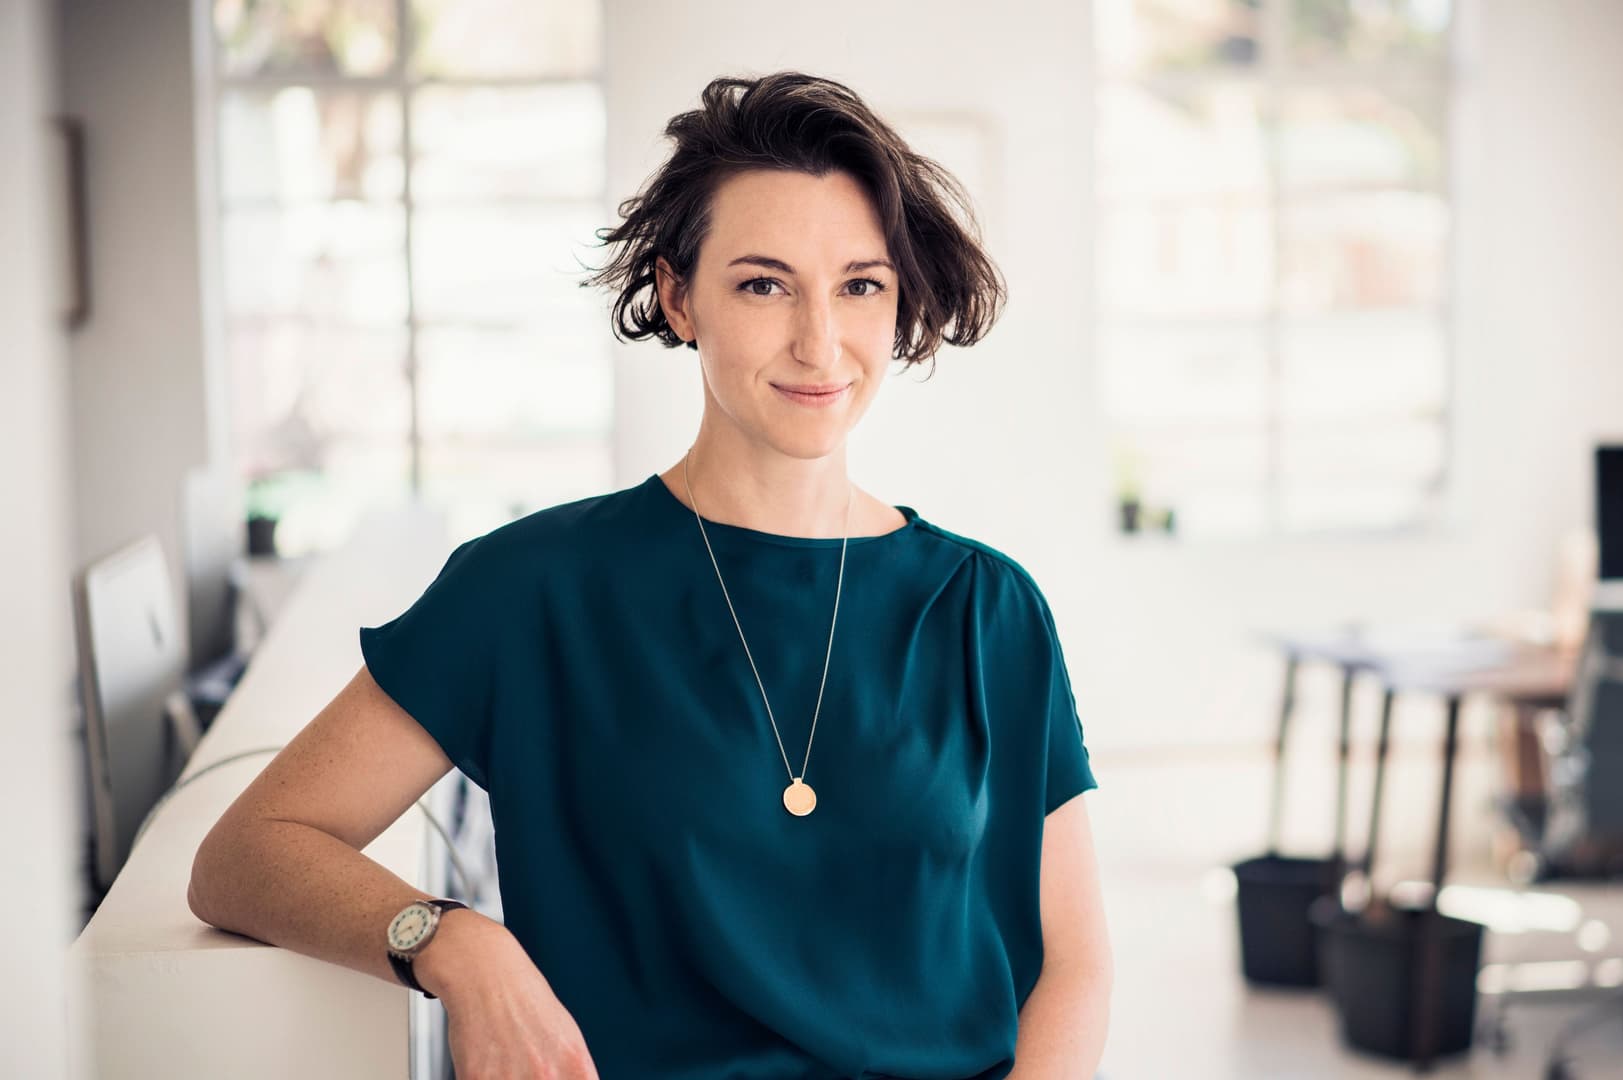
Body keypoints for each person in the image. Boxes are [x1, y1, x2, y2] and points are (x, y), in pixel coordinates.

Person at [188, 70, 1112, 1079]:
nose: (821, 340)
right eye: (764, 283)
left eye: (861, 285)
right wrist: (456, 943)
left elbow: (1071, 964)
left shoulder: (987, 607)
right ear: (679, 295)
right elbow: (245, 854)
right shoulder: (532, 590)